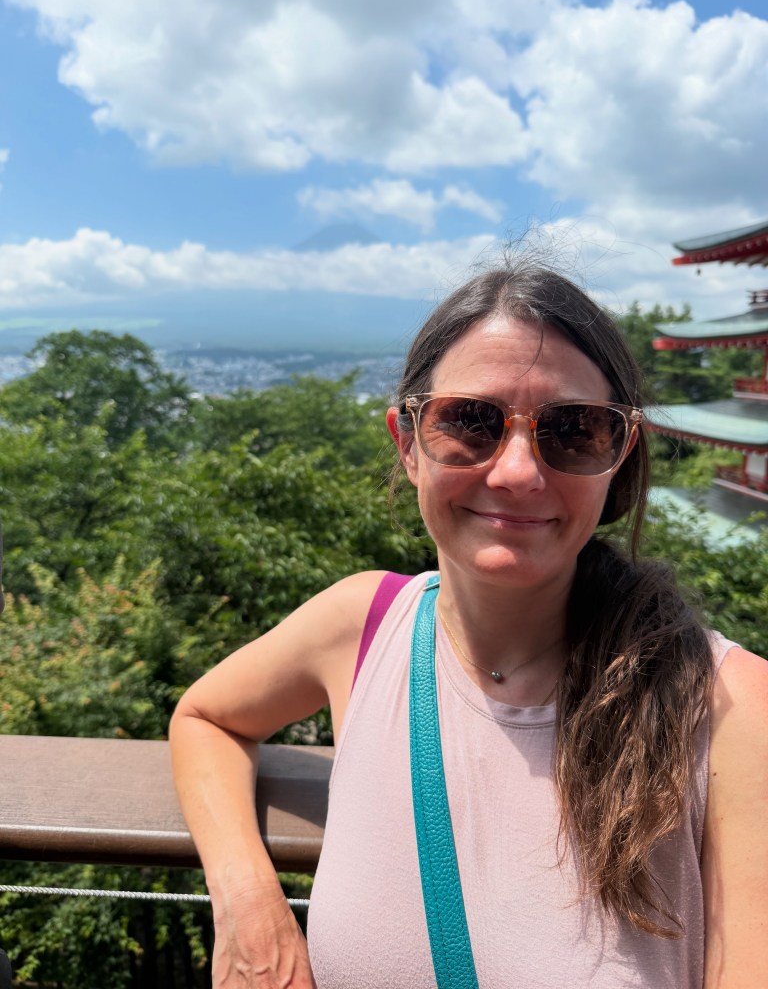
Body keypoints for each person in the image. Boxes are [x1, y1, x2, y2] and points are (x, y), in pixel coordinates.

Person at [170, 260, 768, 988]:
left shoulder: (730, 708)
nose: (517, 471)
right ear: (407, 443)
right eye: (470, 422)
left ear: (620, 456)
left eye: (574, 430)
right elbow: (206, 718)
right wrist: (247, 901)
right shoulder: (363, 624)